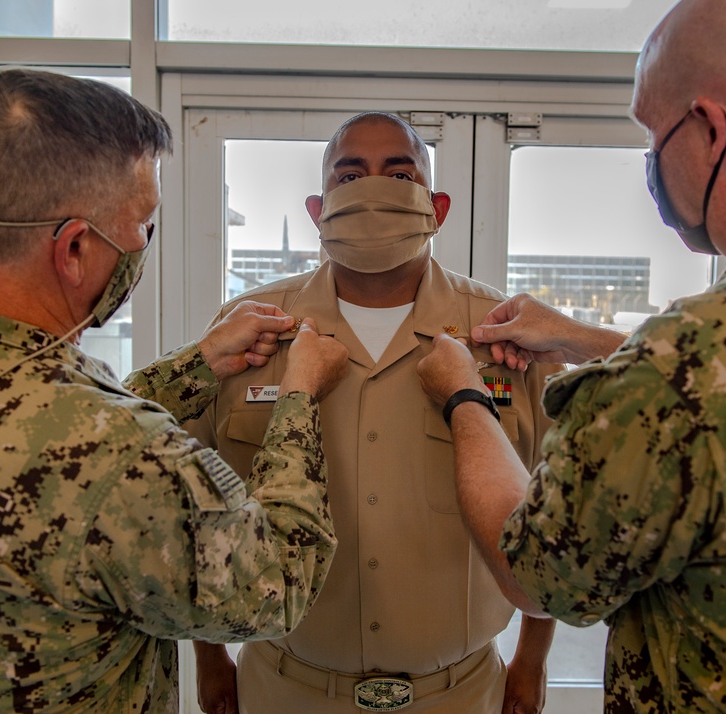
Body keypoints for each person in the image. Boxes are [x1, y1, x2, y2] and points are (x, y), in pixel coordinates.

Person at [416, 0, 726, 711]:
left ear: (710, 130)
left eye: (653, 134)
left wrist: (464, 397)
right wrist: (590, 341)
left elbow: (535, 574)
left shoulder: (683, 364)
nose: (651, 163)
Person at [0, 68, 349, 713]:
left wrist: (194, 368)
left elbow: (42, 438)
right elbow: (275, 582)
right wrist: (299, 398)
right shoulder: (127, 458)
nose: (142, 245)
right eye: (144, 226)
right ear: (74, 248)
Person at [186, 112, 558, 714]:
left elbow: (555, 508)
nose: (373, 189)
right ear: (318, 208)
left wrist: (532, 661)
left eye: (399, 173)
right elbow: (197, 507)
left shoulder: (503, 335)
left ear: (436, 208)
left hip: (460, 694)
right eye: (350, 174)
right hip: (286, 689)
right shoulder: (248, 333)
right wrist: (209, 656)